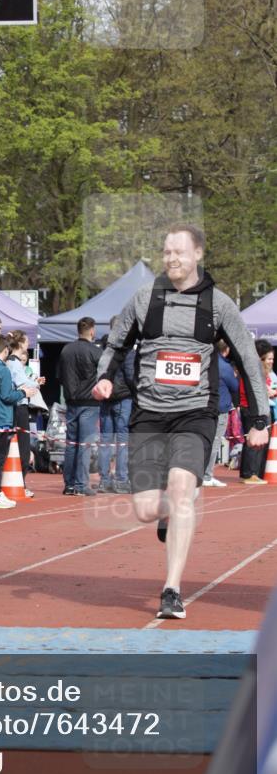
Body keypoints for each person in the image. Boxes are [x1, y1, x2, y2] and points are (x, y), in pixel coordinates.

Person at [93, 224, 270, 620]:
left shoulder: (219, 305)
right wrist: (103, 377)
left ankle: (171, 588)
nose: (172, 258)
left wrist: (260, 418)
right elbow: (116, 344)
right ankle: (172, 510)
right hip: (150, 415)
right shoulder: (144, 300)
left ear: (198, 255)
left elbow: (246, 360)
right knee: (143, 509)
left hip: (196, 413)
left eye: (180, 252)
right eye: (167, 251)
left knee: (181, 487)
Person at [0, 333, 36, 508]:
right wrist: (23, 393)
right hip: (1, 418)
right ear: (5, 351)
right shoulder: (2, 370)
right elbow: (6, 396)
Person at [58, 317, 101, 497]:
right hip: (89, 403)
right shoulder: (96, 352)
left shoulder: (66, 350)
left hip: (71, 402)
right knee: (84, 445)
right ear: (92, 331)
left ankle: (69, 484)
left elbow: (59, 376)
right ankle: (82, 484)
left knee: (71, 444)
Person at [97, 316, 134, 495]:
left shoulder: (103, 348)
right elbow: (130, 373)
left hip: (106, 397)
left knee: (105, 441)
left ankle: (104, 480)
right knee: (122, 441)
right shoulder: (125, 349)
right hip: (122, 397)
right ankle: (121, 479)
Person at [6, 330, 44, 485]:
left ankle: (18, 480)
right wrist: (36, 383)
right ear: (20, 343)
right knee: (23, 445)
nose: (28, 345)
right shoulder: (13, 363)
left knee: (17, 444)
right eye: (27, 342)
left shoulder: (11, 362)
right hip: (19, 406)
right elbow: (22, 382)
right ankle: (20, 480)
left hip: (16, 405)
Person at [202, 340, 238, 487]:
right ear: (227, 349)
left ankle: (200, 474)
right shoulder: (224, 366)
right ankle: (207, 475)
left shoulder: (205, 360)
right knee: (214, 442)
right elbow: (234, 385)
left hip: (203, 406)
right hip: (220, 407)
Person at [239, 339, 276, 484]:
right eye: (269, 359)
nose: (271, 362)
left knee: (257, 441)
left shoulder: (260, 371)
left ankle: (252, 472)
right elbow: (254, 391)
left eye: (272, 359)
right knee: (254, 442)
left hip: (257, 407)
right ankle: (250, 473)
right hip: (252, 408)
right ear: (260, 358)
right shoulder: (254, 371)